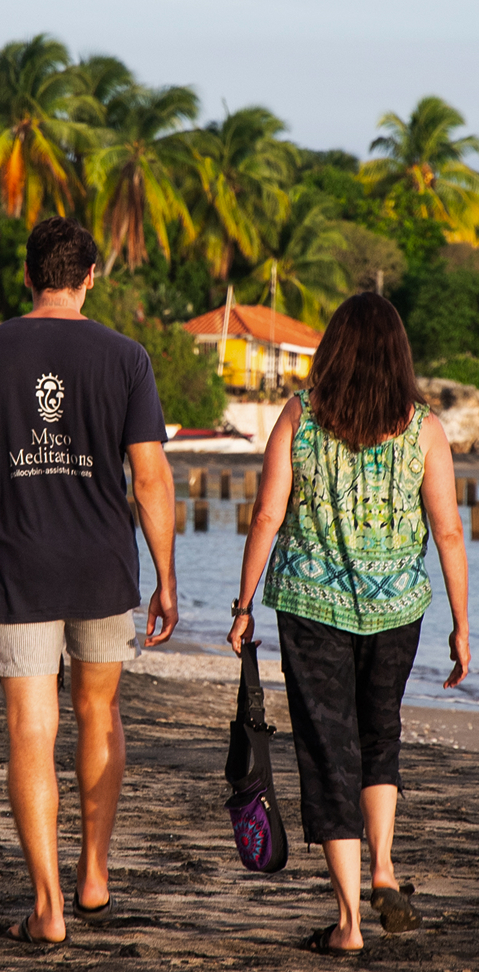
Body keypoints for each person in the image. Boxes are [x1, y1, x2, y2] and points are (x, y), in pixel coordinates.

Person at [0, 216, 177, 945]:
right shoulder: (127, 357)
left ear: (27, 274)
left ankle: (47, 909)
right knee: (99, 716)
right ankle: (94, 874)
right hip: (104, 563)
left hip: (17, 563)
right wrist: (167, 576)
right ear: (91, 277)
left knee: (29, 732)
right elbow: (151, 477)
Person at [227, 292, 469, 956]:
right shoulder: (423, 427)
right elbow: (449, 532)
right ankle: (384, 867)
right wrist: (461, 625)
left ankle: (350, 925)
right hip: (398, 610)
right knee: (379, 734)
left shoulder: (301, 417)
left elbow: (268, 516)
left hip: (311, 611)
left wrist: (243, 604)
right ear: (399, 354)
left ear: (332, 348)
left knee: (328, 752)